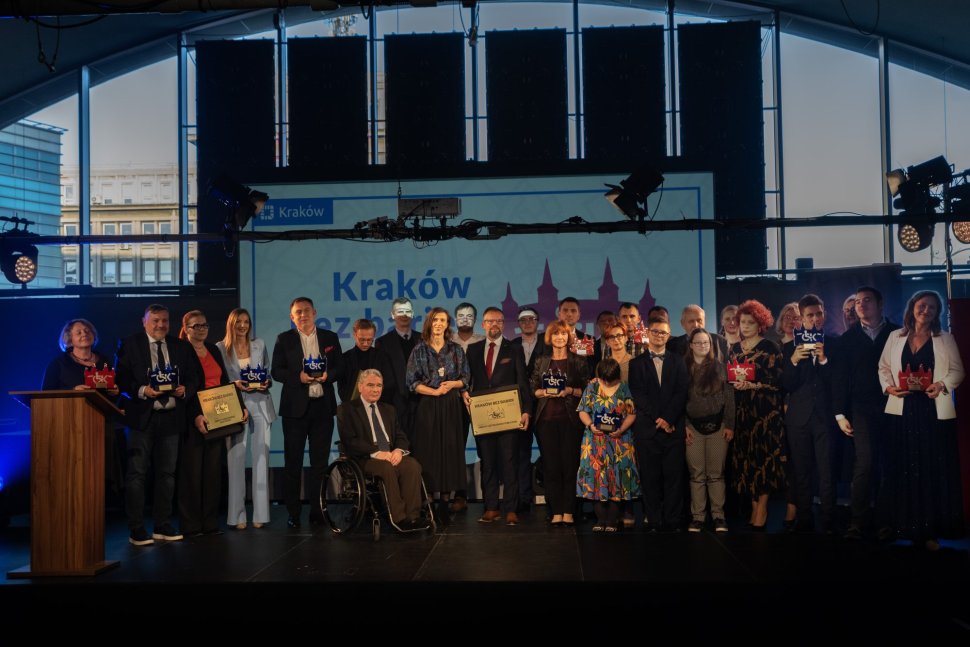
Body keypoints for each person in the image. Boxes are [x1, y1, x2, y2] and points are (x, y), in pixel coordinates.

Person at [877, 290, 965, 551]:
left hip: (932, 412)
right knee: (902, 468)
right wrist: (889, 388)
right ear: (912, 307)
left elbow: (958, 371)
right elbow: (883, 367)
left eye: (932, 308)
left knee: (928, 471)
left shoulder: (945, 338)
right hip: (902, 411)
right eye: (922, 305)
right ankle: (901, 526)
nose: (926, 311)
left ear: (937, 314)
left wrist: (941, 384)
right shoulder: (895, 337)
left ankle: (928, 531)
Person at [115, 304, 202, 545]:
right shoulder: (129, 344)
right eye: (155, 320)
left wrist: (187, 390)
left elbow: (195, 377)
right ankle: (136, 528)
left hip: (172, 418)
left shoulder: (181, 347)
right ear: (144, 321)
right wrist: (142, 390)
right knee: (137, 474)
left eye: (164, 320)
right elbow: (120, 379)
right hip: (142, 419)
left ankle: (162, 524)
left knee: (167, 474)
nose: (161, 325)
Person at [271, 296, 345, 529]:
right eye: (298, 313)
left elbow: (340, 367)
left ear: (314, 313)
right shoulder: (284, 339)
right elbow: (276, 371)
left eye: (306, 311)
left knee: (319, 464)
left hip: (322, 408)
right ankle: (293, 512)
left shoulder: (330, 338)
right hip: (295, 411)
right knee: (292, 462)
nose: (302, 315)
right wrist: (298, 377)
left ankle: (317, 510)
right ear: (292, 317)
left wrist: (328, 376)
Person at [832, 287, 899, 540]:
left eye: (867, 300)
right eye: (858, 302)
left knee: (889, 465)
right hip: (861, 409)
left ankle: (885, 522)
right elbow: (839, 379)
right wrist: (839, 414)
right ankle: (857, 521)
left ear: (881, 304)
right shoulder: (847, 339)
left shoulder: (897, 333)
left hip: (894, 406)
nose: (861, 305)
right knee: (866, 463)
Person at [336, 369, 429, 530]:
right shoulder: (347, 409)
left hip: (390, 453)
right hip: (365, 458)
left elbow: (400, 435)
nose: (375, 389)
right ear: (360, 387)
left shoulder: (389, 409)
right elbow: (349, 440)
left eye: (379, 385)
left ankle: (413, 516)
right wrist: (376, 452)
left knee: (411, 465)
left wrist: (399, 451)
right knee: (386, 468)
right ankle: (399, 518)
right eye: (370, 385)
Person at [464, 307, 532, 525]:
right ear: (482, 325)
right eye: (490, 321)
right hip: (483, 416)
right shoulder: (473, 350)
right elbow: (468, 380)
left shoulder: (514, 348)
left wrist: (526, 410)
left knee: (509, 462)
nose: (494, 325)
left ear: (503, 325)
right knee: (488, 463)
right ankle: (491, 507)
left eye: (499, 321)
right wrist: (464, 392)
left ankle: (511, 509)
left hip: (509, 415)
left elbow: (523, 383)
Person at [180, 309, 242, 536]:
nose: (202, 329)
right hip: (193, 417)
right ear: (186, 328)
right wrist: (196, 414)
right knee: (192, 474)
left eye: (204, 324)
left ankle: (209, 522)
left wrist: (238, 407)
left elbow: (224, 381)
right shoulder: (182, 351)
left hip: (216, 415)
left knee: (213, 473)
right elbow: (189, 387)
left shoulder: (214, 350)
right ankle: (191, 524)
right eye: (197, 325)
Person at [406, 307, 471, 522]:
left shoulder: (456, 350)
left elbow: (465, 379)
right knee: (429, 452)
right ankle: (429, 501)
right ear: (429, 323)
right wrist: (434, 391)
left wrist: (453, 384)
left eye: (442, 320)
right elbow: (412, 383)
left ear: (447, 324)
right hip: (428, 405)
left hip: (451, 406)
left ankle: (445, 501)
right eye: (435, 320)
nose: (439, 324)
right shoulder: (419, 350)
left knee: (449, 452)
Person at [728, 299, 786, 531]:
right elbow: (730, 379)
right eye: (743, 322)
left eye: (751, 322)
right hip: (742, 414)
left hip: (765, 414)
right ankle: (753, 508)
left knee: (764, 461)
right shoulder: (734, 349)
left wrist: (754, 385)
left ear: (760, 324)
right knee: (747, 463)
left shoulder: (771, 347)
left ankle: (762, 508)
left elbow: (779, 382)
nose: (746, 326)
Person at [781, 294, 837, 534]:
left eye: (818, 314)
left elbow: (837, 383)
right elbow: (784, 385)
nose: (814, 319)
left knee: (826, 472)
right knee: (801, 471)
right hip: (798, 418)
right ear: (801, 318)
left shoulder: (835, 343)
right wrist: (793, 361)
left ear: (823, 314)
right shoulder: (787, 347)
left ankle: (828, 520)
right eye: (809, 315)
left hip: (825, 417)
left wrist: (824, 360)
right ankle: (804, 519)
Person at [628, 314, 689, 532]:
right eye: (655, 331)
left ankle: (673, 520)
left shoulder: (678, 360)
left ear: (668, 335)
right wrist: (659, 419)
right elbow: (639, 395)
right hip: (648, 429)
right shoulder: (636, 364)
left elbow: (682, 392)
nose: (659, 336)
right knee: (650, 479)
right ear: (647, 334)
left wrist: (669, 419)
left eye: (663, 332)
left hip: (673, 429)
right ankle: (653, 519)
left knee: (674, 478)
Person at [217, 307, 275, 530]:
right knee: (236, 459)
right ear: (231, 323)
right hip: (235, 405)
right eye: (238, 321)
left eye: (246, 321)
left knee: (261, 458)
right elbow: (220, 379)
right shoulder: (220, 348)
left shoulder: (259, 344)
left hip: (261, 402)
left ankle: (261, 514)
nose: (242, 325)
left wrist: (266, 381)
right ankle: (237, 516)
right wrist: (234, 384)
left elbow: (267, 372)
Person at [530, 319, 590, 526]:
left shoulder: (578, 361)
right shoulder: (541, 361)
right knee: (551, 467)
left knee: (570, 466)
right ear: (550, 337)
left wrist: (570, 391)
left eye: (563, 334)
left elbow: (587, 391)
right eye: (555, 334)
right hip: (546, 421)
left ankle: (569, 510)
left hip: (571, 420)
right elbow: (533, 389)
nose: (559, 337)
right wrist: (544, 392)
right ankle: (555, 510)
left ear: (568, 337)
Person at [576, 358, 639, 532]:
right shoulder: (592, 387)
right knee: (597, 478)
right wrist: (590, 425)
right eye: (604, 379)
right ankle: (600, 520)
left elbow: (631, 414)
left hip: (619, 442)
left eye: (610, 380)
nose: (606, 382)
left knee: (616, 480)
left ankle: (612, 521)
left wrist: (621, 429)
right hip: (595, 441)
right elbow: (582, 410)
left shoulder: (624, 388)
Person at [684, 328, 735, 533]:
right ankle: (698, 517)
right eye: (698, 342)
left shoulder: (721, 368)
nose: (703, 345)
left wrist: (729, 425)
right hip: (692, 428)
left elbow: (730, 399)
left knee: (716, 474)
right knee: (697, 474)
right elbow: (679, 400)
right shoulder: (683, 369)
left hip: (719, 427)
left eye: (706, 342)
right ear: (691, 345)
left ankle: (718, 516)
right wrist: (685, 426)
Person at [450, 302, 484, 513]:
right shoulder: (447, 341)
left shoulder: (482, 340)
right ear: (455, 318)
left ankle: (491, 495)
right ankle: (459, 494)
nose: (464, 319)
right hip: (454, 401)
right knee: (456, 448)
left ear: (475, 318)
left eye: (469, 315)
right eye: (460, 315)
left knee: (485, 448)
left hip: (480, 400)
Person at [512, 306, 545, 511]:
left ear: (537, 321)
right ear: (518, 324)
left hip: (544, 406)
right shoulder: (511, 345)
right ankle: (523, 498)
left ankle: (552, 498)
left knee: (549, 453)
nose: (527, 323)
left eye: (531, 319)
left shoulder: (548, 344)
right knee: (521, 454)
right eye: (523, 320)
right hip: (519, 407)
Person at [375, 298, 418, 439]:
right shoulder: (383, 342)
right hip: (395, 403)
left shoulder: (423, 339)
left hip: (421, 401)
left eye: (407, 311)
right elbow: (385, 375)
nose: (404, 315)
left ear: (412, 314)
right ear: (393, 315)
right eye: (400, 311)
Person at [339, 319, 396, 406]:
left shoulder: (382, 357)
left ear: (374, 336)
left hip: (378, 406)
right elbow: (342, 389)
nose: (365, 344)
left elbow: (389, 384)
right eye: (362, 340)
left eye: (369, 340)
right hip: (353, 408)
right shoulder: (345, 358)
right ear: (354, 335)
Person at [42, 318, 113, 390]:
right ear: (69, 339)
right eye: (79, 333)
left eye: (87, 331)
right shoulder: (58, 364)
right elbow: (46, 395)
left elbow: (113, 393)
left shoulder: (105, 362)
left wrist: (114, 392)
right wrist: (73, 391)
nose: (85, 334)